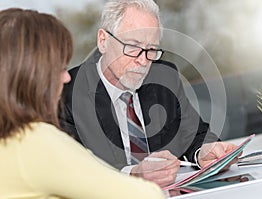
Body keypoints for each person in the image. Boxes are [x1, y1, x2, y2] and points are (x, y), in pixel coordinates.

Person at [60, 0, 239, 188]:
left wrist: (204, 151)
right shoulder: (66, 94)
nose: (143, 61)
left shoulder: (164, 77)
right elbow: (71, 170)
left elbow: (193, 132)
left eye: (151, 49)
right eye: (132, 46)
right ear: (103, 41)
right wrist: (133, 174)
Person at [0, 8, 165, 199]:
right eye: (59, 68)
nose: (66, 77)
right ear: (30, 75)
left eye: (151, 50)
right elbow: (146, 196)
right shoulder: (34, 141)